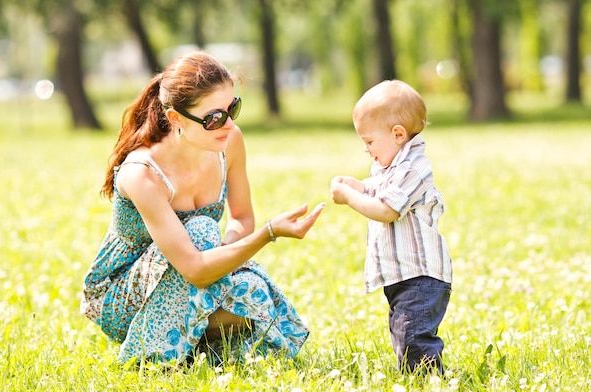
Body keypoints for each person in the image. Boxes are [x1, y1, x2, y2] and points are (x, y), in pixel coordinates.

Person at [81, 51, 325, 365]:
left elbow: (241, 217)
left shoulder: (229, 141)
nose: (227, 124)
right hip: (121, 297)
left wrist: (221, 259)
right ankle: (150, 354)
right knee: (200, 229)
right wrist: (269, 233)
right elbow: (195, 269)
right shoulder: (143, 174)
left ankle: (194, 353)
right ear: (176, 118)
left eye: (232, 108)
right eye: (213, 117)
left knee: (251, 291)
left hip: (192, 275)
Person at [329, 80, 452, 374]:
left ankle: (428, 382)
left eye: (369, 141)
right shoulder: (391, 166)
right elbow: (379, 192)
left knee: (413, 335)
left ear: (398, 134)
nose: (365, 149)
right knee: (402, 331)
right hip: (401, 275)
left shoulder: (414, 167)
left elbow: (386, 210)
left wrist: (349, 197)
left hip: (421, 276)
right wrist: (358, 186)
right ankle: (417, 377)